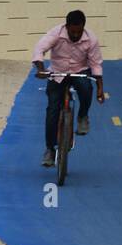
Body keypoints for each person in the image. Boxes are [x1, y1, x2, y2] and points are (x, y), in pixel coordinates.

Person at [32, 10, 105, 168]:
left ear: (83, 28)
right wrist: (40, 68)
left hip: (80, 71)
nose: (75, 35)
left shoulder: (91, 39)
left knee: (87, 89)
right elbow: (39, 49)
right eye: (72, 32)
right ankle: (50, 149)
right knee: (52, 110)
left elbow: (96, 64)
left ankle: (82, 117)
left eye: (79, 32)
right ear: (67, 26)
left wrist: (100, 87)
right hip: (57, 72)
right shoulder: (56, 33)